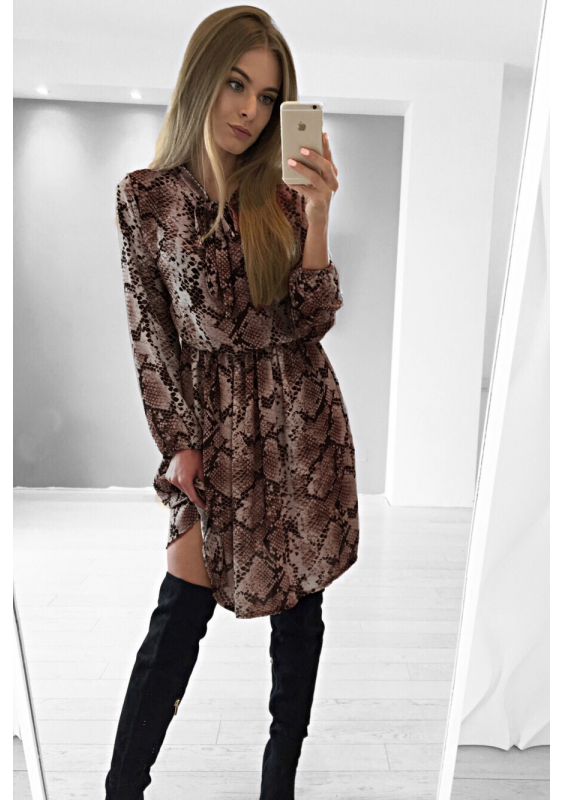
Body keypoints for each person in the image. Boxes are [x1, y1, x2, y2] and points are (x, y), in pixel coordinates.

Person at [105, 6, 359, 799]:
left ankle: (279, 779)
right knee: (179, 615)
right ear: (202, 79)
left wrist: (318, 214)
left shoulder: (279, 194)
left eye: (269, 96)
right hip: (212, 428)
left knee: (300, 614)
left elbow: (313, 316)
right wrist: (176, 442)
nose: (251, 109)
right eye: (237, 84)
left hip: (299, 423)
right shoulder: (145, 196)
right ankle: (122, 787)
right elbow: (150, 331)